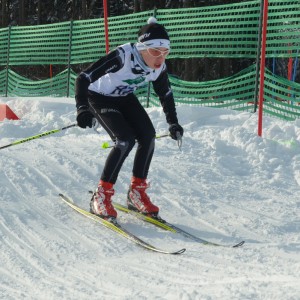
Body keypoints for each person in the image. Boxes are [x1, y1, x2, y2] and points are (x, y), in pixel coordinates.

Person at [75, 17, 183, 220]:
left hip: (123, 97)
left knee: (148, 135)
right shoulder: (123, 56)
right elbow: (83, 78)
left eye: (165, 52)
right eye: (155, 52)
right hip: (98, 97)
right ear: (142, 48)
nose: (160, 57)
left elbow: (165, 94)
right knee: (124, 140)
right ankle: (101, 195)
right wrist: (82, 109)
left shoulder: (159, 67)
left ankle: (136, 193)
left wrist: (173, 122)